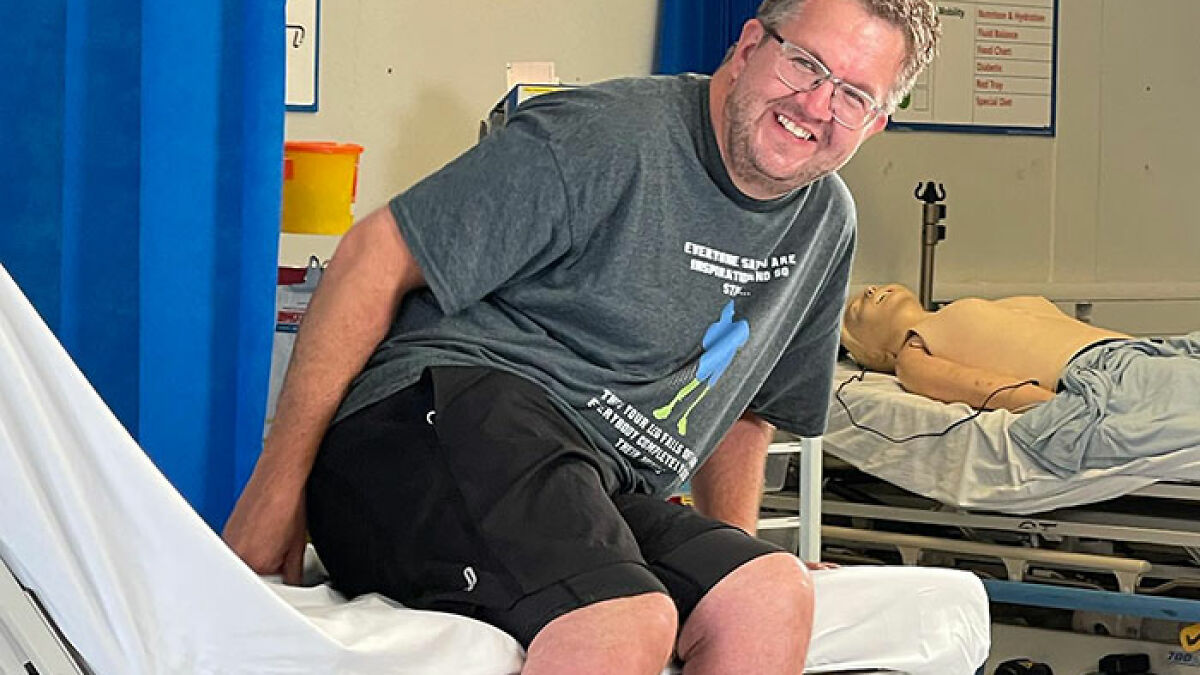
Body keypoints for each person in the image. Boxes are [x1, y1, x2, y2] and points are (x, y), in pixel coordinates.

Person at [223, 1, 940, 673]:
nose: (816, 106)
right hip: (433, 422)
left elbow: (747, 403)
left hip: (595, 479)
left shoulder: (826, 225)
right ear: (750, 45)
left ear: (876, 123)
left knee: (770, 596)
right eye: (806, 66)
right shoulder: (608, 135)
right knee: (622, 618)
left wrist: (730, 544)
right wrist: (276, 487)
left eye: (853, 95)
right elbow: (373, 255)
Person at [841, 283, 1200, 477]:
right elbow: (979, 385)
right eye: (859, 309)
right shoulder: (913, 354)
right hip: (1107, 379)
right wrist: (1053, 407)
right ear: (875, 354)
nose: (870, 292)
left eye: (868, 289)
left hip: (1135, 355)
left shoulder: (965, 309)